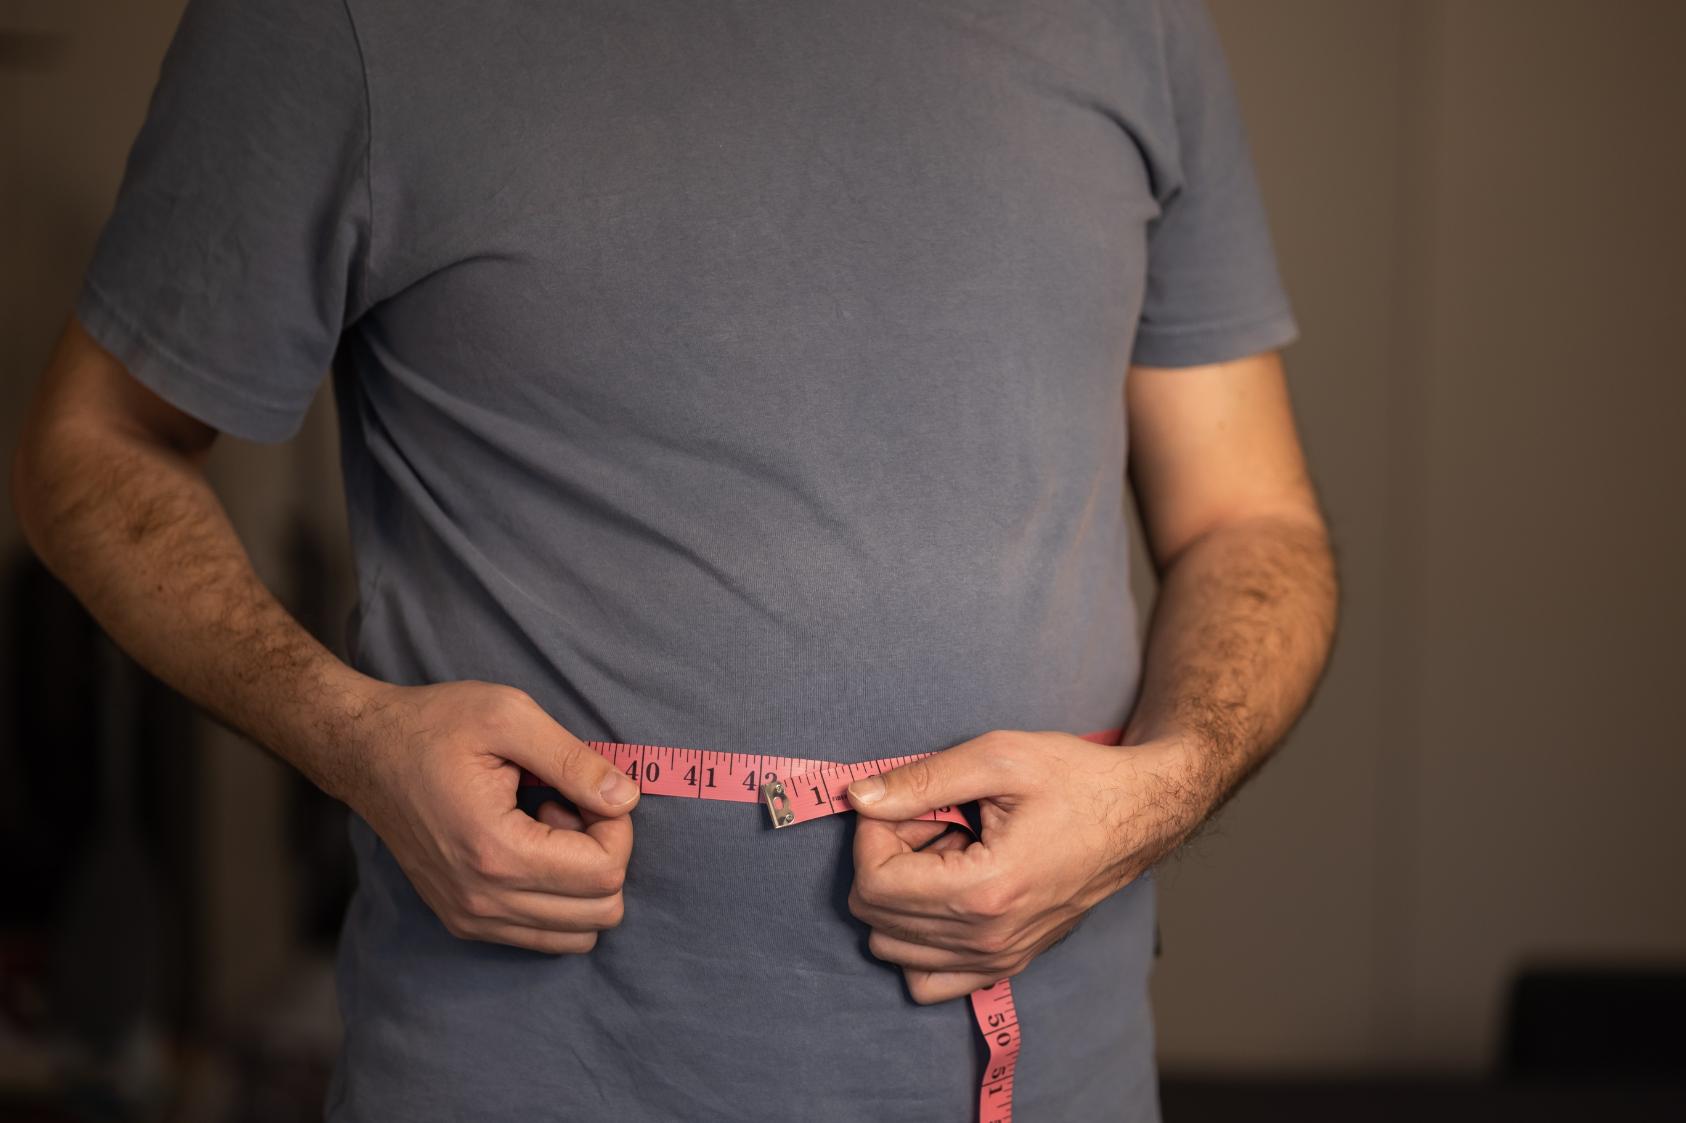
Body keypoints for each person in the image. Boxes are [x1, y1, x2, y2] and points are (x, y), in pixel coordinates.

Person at [12, 0, 1338, 1118]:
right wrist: (348, 737)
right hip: (525, 1078)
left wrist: (1159, 792)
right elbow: (94, 448)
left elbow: (1248, 523)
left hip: (1051, 1080)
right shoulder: (331, 22)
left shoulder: (1132, 23)